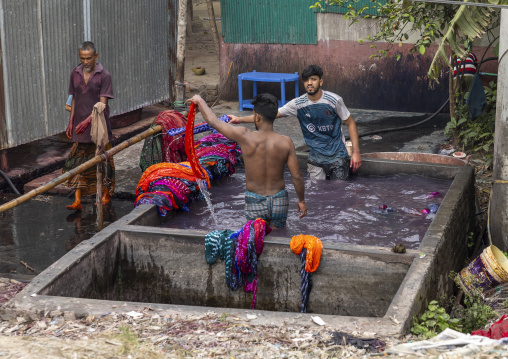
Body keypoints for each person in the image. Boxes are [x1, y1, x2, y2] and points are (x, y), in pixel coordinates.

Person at [185, 93, 307, 229]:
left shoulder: (245, 136)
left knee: (255, 240)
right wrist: (301, 200)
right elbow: (297, 176)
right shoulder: (286, 142)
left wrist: (200, 100)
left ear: (257, 116)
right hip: (279, 200)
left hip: (255, 200)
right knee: (279, 237)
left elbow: (214, 122)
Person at [229, 64, 361, 181]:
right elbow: (269, 115)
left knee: (341, 191)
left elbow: (350, 123)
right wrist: (239, 119)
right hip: (315, 158)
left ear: (320, 82)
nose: (310, 83)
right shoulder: (298, 104)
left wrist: (356, 152)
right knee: (317, 192)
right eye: (307, 80)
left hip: (337, 156)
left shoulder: (334, 100)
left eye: (313, 79)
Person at [63, 41, 115, 210]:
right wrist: (71, 121)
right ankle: (77, 200)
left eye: (89, 58)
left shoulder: (104, 75)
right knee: (78, 161)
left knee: (103, 158)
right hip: (79, 125)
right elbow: (73, 98)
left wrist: (88, 121)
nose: (85, 62)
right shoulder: (74, 73)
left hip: (98, 125)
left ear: (96, 57)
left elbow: (103, 104)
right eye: (82, 58)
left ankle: (106, 193)